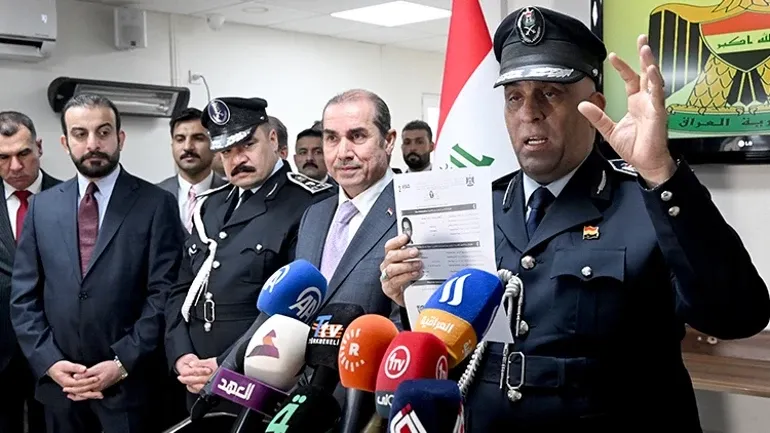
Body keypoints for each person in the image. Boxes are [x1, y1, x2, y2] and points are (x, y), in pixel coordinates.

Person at [378, 6, 770, 431]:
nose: (529, 112)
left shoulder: (651, 201)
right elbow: (453, 347)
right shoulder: (478, 208)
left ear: (594, 105)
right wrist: (408, 298)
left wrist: (660, 171)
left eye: (549, 93)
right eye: (514, 97)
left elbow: (737, 316)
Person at [10, 93, 186, 433]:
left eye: (103, 132)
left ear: (120, 138)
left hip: (130, 389)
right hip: (62, 390)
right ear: (65, 143)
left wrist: (122, 363)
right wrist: (50, 362)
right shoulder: (43, 208)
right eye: (80, 134)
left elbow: (164, 294)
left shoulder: (156, 204)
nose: (93, 143)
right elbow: (24, 298)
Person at [165, 97, 333, 413]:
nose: (237, 159)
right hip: (195, 376)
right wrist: (181, 354)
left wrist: (224, 361)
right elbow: (181, 288)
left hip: (258, 375)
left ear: (273, 139)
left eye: (247, 145)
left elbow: (295, 305)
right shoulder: (210, 206)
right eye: (226, 151)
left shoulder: (311, 203)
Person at [0, 111, 60, 433]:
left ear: (39, 147)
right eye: (3, 157)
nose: (15, 166)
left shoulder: (72, 198)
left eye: (23, 153)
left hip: (55, 348)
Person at [157, 108, 228, 233]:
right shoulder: (154, 196)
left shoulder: (232, 195)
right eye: (180, 139)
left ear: (214, 145)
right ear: (172, 145)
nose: (188, 147)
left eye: (198, 138)